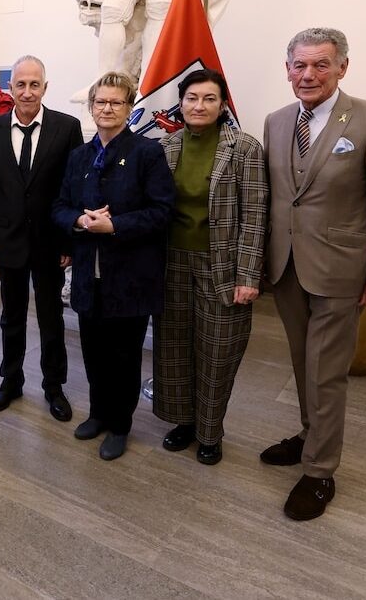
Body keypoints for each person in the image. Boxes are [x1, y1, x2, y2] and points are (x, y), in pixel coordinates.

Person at [262, 28, 366, 520]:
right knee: (305, 364)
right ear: (287, 69)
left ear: (343, 67)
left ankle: (320, 471)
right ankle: (310, 435)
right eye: (299, 65)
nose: (308, 75)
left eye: (321, 65)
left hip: (341, 271)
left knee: (327, 371)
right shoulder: (277, 122)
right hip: (287, 267)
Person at [52, 71, 174, 460]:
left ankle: (121, 424)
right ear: (91, 107)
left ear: (128, 107)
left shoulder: (147, 153)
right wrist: (80, 221)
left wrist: (114, 224)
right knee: (92, 351)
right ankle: (99, 414)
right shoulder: (79, 157)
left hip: (131, 275)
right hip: (89, 275)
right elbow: (59, 207)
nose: (107, 108)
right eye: (100, 102)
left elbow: (162, 212)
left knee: (124, 355)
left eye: (115, 102)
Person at [152, 68, 267, 465]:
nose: (199, 106)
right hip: (172, 264)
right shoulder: (165, 146)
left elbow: (255, 216)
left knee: (217, 352)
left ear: (222, 106)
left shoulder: (245, 149)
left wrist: (248, 275)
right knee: (174, 348)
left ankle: (210, 431)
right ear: (180, 103)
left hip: (224, 266)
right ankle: (182, 422)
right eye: (191, 98)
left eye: (209, 99)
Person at [0, 55, 83, 420]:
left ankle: (54, 387)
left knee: (51, 317)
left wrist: (70, 241)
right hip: (7, 240)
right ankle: (10, 381)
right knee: (11, 315)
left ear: (45, 87)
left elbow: (73, 190)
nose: (27, 91)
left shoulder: (67, 128)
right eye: (20, 84)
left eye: (34, 84)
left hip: (50, 242)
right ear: (10, 89)